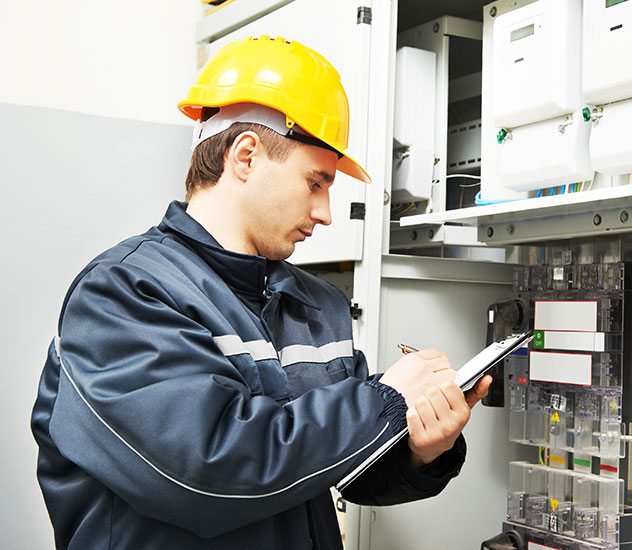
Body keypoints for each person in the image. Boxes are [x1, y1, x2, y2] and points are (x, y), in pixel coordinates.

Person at [31, 36, 491, 549]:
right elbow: (204, 472)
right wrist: (383, 402)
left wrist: (419, 447)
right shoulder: (124, 293)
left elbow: (332, 464)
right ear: (246, 156)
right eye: (316, 183)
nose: (326, 213)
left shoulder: (315, 304)